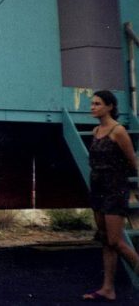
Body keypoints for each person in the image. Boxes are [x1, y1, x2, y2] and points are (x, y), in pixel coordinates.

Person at [82, 90, 139, 302]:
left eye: (97, 103)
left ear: (109, 107)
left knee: (115, 240)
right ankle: (108, 289)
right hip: (97, 189)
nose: (92, 107)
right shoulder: (95, 130)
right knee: (105, 240)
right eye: (92, 103)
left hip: (115, 189)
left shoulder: (119, 131)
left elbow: (132, 162)